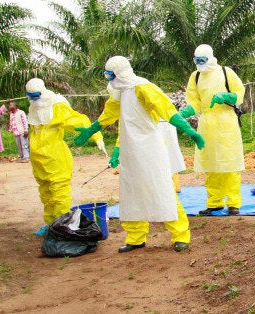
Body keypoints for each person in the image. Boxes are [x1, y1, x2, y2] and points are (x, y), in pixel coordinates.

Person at [74, 56, 205, 253]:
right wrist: (91, 130)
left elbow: (167, 110)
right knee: (132, 192)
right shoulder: (119, 92)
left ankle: (180, 235)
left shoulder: (142, 87)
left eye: (110, 75)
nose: (108, 78)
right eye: (107, 75)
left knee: (163, 190)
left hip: (151, 148)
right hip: (130, 149)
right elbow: (109, 114)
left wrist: (189, 130)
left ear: (119, 73)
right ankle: (135, 237)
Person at [25, 78, 106, 226]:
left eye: (36, 96)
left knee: (59, 192)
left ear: (42, 93)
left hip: (55, 157)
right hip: (38, 159)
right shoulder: (34, 108)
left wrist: (96, 136)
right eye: (30, 96)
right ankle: (51, 225)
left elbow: (78, 121)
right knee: (45, 193)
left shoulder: (56, 106)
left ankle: (61, 226)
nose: (33, 99)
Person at [179, 44, 245, 216]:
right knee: (211, 165)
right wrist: (184, 112)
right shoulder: (195, 77)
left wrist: (227, 96)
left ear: (210, 57)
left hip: (226, 122)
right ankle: (214, 202)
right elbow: (194, 102)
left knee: (230, 163)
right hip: (207, 124)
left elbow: (239, 93)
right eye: (197, 60)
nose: (200, 63)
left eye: (203, 59)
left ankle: (233, 203)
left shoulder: (225, 72)